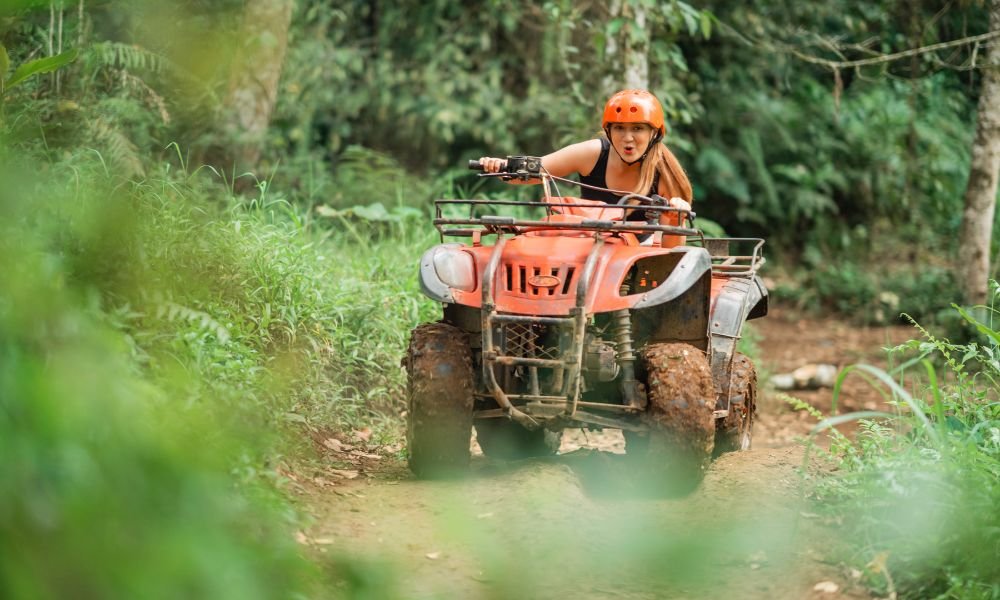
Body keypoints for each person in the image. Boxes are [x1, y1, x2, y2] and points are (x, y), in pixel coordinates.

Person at [478, 89, 692, 224]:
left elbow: (671, 252)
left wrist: (676, 219)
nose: (628, 138)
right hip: (589, 242)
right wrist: (501, 167)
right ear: (609, 131)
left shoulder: (663, 174)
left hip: (638, 256)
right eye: (619, 128)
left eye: (637, 128)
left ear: (654, 133)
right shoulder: (593, 154)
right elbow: (536, 171)